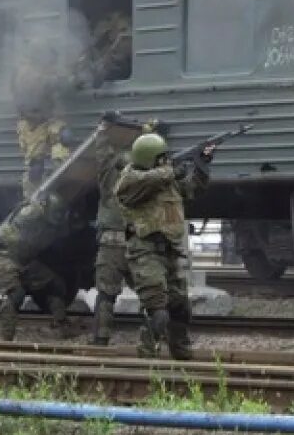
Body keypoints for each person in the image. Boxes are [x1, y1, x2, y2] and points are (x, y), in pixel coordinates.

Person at [114, 133, 212, 360]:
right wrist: (172, 171)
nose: (166, 161)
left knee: (180, 308)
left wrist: (202, 166)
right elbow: (135, 186)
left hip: (170, 249)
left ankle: (181, 353)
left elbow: (192, 189)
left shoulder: (166, 181)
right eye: (162, 158)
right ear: (149, 158)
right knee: (158, 311)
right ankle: (146, 354)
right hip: (145, 251)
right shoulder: (130, 180)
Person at [89, 113, 161, 347]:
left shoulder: (109, 180)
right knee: (151, 298)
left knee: (106, 295)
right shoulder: (145, 180)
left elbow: (102, 157)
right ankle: (150, 342)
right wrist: (150, 132)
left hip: (110, 245)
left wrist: (101, 132)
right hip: (138, 243)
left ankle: (101, 340)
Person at [0, 191, 74, 341]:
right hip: (4, 256)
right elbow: (25, 212)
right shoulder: (30, 213)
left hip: (25, 259)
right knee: (15, 294)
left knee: (55, 284)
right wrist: (36, 206)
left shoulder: (53, 223)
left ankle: (62, 325)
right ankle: (6, 339)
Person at [11, 38, 74, 200]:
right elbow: (41, 84)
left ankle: (60, 169)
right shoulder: (25, 72)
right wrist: (62, 81)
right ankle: (31, 199)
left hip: (50, 120)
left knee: (63, 138)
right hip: (31, 124)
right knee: (35, 167)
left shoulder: (47, 70)